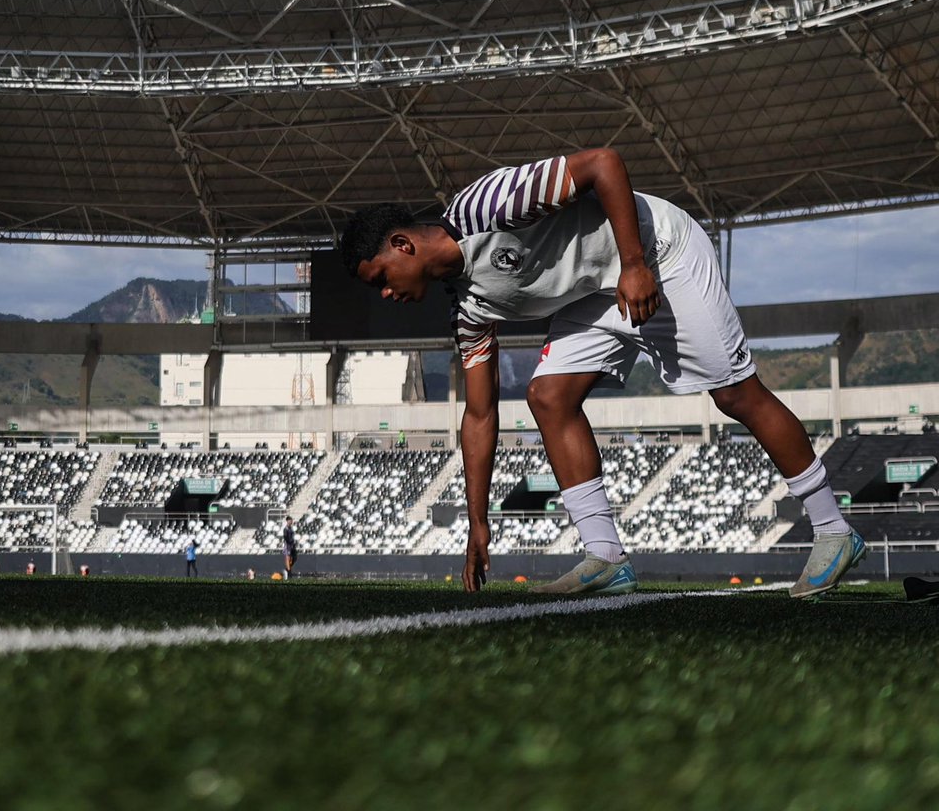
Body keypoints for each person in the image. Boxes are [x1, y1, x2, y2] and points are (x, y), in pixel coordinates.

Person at [341, 148, 866, 599]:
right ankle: (606, 557)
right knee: (548, 396)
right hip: (594, 291)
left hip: (659, 252)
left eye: (381, 277)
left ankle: (833, 529)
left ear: (403, 244)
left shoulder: (488, 205)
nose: (386, 293)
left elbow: (603, 164)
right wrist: (478, 523)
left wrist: (634, 265)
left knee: (734, 395)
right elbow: (479, 415)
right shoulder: (468, 311)